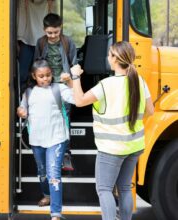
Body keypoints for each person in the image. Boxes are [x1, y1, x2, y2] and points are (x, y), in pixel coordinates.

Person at [70, 41, 154, 220]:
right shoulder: (139, 81)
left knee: (104, 189)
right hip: (134, 145)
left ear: (115, 59)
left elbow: (79, 101)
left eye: (110, 54)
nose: (108, 57)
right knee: (124, 188)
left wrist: (75, 77)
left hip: (112, 148)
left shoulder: (106, 85)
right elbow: (150, 111)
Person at [17, 59, 74, 219]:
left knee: (53, 174)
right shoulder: (28, 92)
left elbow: (77, 98)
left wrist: (70, 81)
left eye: (48, 75)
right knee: (42, 172)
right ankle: (47, 195)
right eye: (41, 76)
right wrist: (21, 111)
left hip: (57, 138)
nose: (45, 79)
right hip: (37, 139)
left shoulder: (59, 88)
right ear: (34, 76)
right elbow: (23, 108)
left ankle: (56, 213)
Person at [34, 13, 78, 171]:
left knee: (64, 119)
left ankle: (65, 153)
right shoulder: (41, 43)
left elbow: (74, 64)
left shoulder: (67, 42)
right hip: (47, 86)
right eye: (49, 33)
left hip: (63, 85)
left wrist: (70, 77)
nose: (53, 36)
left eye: (56, 32)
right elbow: (36, 64)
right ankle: (49, 151)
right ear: (44, 30)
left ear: (61, 29)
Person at [17, 0, 55, 91]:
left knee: (43, 74)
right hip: (27, 41)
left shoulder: (50, 3)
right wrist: (18, 38)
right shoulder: (24, 2)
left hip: (43, 43)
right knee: (23, 75)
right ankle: (25, 99)